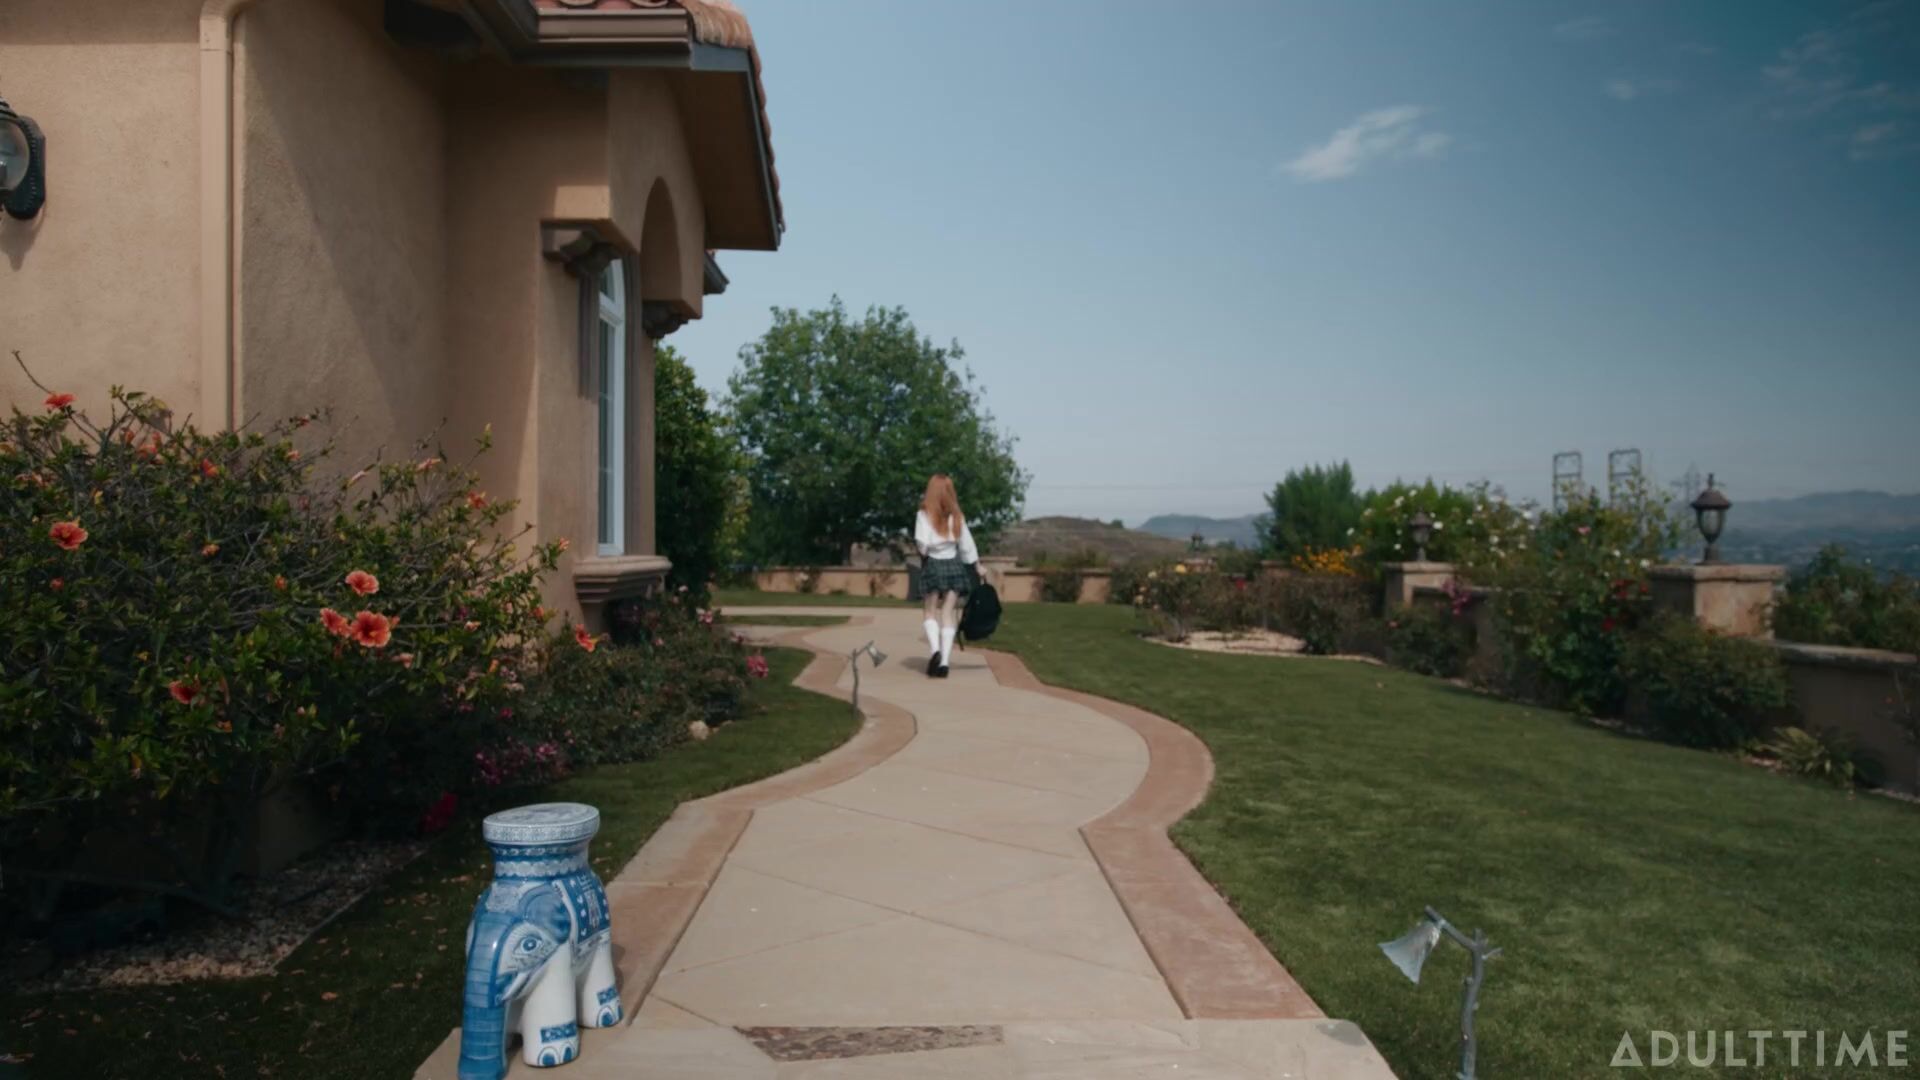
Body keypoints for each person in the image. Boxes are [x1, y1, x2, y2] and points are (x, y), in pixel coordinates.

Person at [914, 474, 978, 677]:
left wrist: (925, 552)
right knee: (947, 613)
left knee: (930, 612)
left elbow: (922, 545)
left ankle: (935, 651)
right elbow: (967, 545)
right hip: (954, 565)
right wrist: (977, 565)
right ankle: (944, 663)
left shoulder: (923, 514)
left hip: (933, 564)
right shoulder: (957, 516)